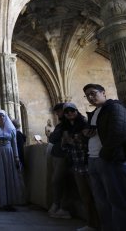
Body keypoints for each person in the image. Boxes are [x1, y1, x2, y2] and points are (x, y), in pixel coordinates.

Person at [83, 83, 126, 231]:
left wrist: (104, 155)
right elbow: (96, 133)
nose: (90, 97)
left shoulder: (115, 108)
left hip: (108, 160)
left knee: (117, 201)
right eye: (87, 95)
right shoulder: (95, 112)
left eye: (93, 93)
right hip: (93, 159)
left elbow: (118, 133)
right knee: (101, 201)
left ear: (103, 93)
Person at [60, 103, 99, 231]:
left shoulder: (84, 124)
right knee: (85, 196)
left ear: (77, 111)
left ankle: (103, 223)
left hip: (88, 163)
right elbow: (65, 146)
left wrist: (73, 139)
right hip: (77, 165)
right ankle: (91, 224)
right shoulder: (66, 128)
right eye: (67, 112)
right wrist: (68, 141)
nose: (70, 113)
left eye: (72, 111)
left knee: (97, 195)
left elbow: (88, 140)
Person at [0, 110, 25, 211]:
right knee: (1, 176)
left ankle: (11, 202)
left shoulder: (11, 129)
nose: (1, 118)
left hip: (9, 153)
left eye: (3, 116)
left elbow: (14, 143)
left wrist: (16, 156)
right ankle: (3, 202)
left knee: (10, 176)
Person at [48, 103, 72, 219]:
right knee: (58, 181)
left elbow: (57, 138)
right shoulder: (60, 125)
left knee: (57, 180)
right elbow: (52, 138)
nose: (57, 114)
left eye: (58, 111)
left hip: (64, 156)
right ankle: (59, 205)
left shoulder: (69, 123)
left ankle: (61, 206)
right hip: (57, 155)